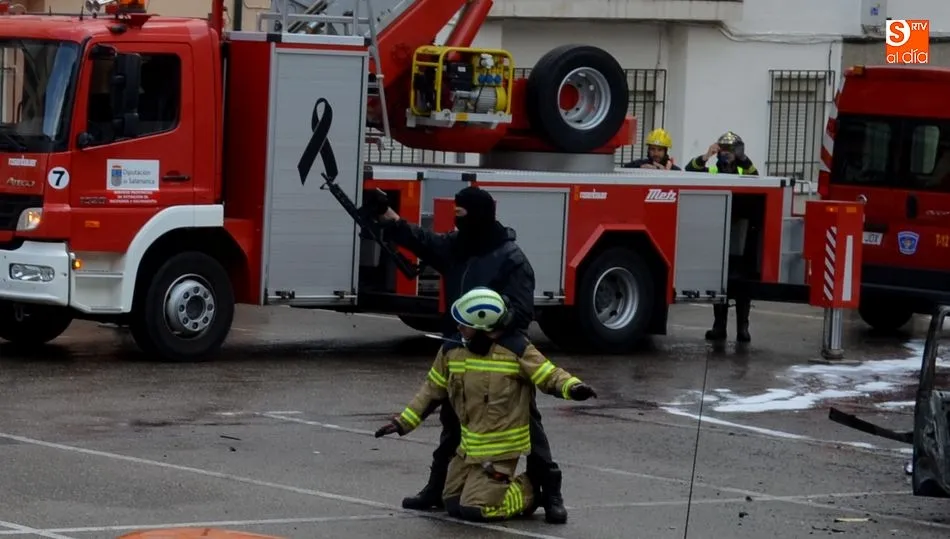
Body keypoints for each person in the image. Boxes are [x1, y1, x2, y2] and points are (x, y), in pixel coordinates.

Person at [361, 185, 570, 523]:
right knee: (453, 420)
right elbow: (422, 241)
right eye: (455, 217)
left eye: (463, 216)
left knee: (527, 424)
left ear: (482, 216)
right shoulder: (457, 246)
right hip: (462, 348)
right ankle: (437, 487)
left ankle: (548, 490)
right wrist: (388, 217)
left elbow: (521, 311)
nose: (458, 224)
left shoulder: (512, 259)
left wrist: (488, 334)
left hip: (503, 359)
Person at [374, 287, 597, 523]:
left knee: (476, 510)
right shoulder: (452, 351)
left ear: (485, 328)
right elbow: (431, 391)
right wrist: (402, 423)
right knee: (452, 503)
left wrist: (573, 388)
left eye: (465, 325)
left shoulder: (516, 350)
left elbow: (550, 375)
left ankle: (530, 491)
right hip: (469, 448)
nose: (458, 328)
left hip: (502, 449)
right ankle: (495, 489)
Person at [685, 131, 759, 343]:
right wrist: (706, 155)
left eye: (731, 151)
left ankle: (743, 329)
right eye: (723, 150)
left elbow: (756, 176)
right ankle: (719, 327)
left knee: (742, 284)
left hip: (741, 231)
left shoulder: (744, 168)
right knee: (720, 282)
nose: (727, 155)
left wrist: (743, 159)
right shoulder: (713, 167)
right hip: (718, 229)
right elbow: (690, 171)